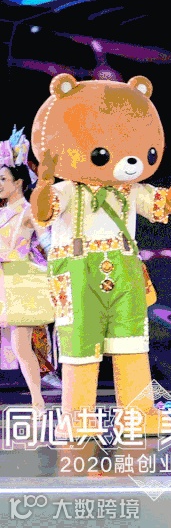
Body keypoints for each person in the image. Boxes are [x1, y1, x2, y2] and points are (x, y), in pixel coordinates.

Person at [0, 147, 55, 417]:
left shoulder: (27, 211)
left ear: (18, 182)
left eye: (3, 179)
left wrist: (60, 262)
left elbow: (47, 240)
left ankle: (37, 401)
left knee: (21, 346)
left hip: (19, 280)